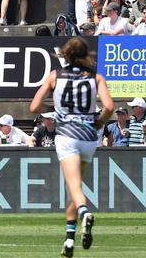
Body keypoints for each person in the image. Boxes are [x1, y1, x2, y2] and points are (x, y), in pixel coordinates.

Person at [28, 37, 113, 257]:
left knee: (74, 187)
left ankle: (85, 212)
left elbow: (34, 106)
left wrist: (55, 106)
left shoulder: (55, 76)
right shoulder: (96, 77)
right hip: (88, 136)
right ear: (86, 55)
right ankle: (68, 239)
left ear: (66, 54)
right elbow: (110, 107)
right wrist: (99, 122)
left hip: (66, 134)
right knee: (74, 188)